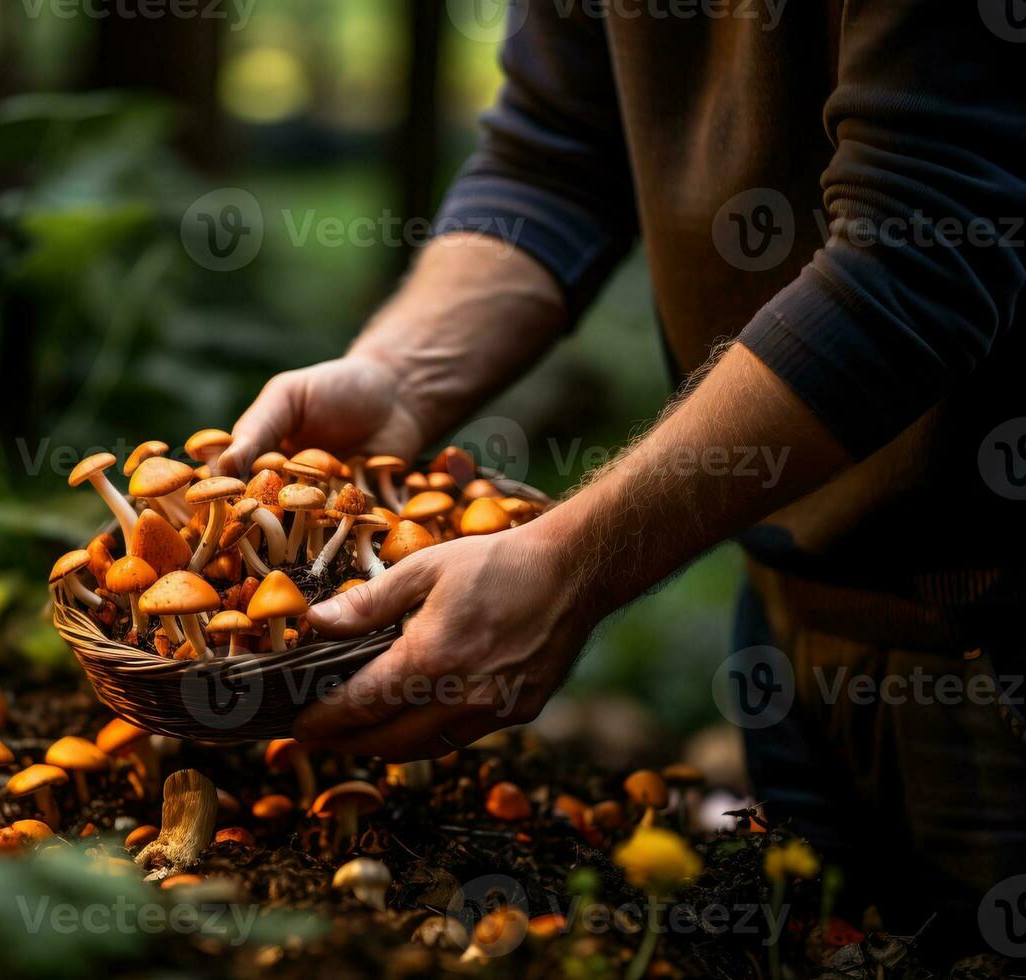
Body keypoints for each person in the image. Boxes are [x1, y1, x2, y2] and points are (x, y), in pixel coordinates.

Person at [217, 0, 1026, 945]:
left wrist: (571, 558)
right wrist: (399, 378)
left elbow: (920, 249)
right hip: (790, 604)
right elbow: (554, 154)